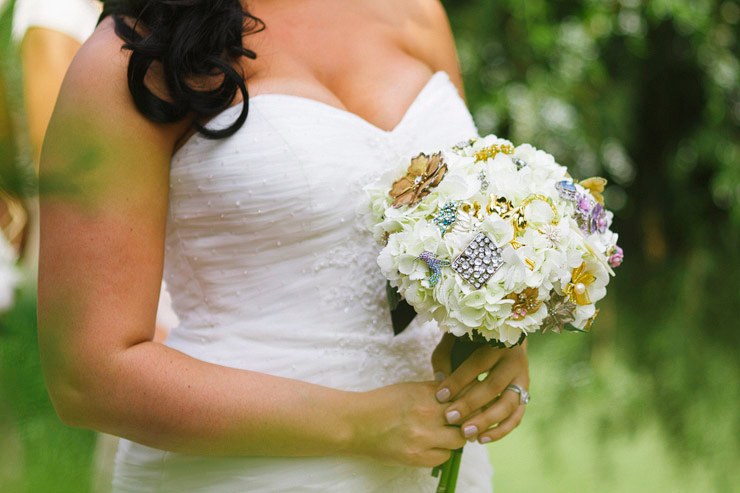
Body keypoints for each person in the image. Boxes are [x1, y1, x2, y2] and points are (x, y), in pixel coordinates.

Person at [38, 1, 531, 491]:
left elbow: (469, 215)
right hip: (245, 474)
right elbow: (89, 376)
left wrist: (496, 336)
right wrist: (357, 424)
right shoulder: (136, 50)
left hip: (436, 461)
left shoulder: (415, 11)